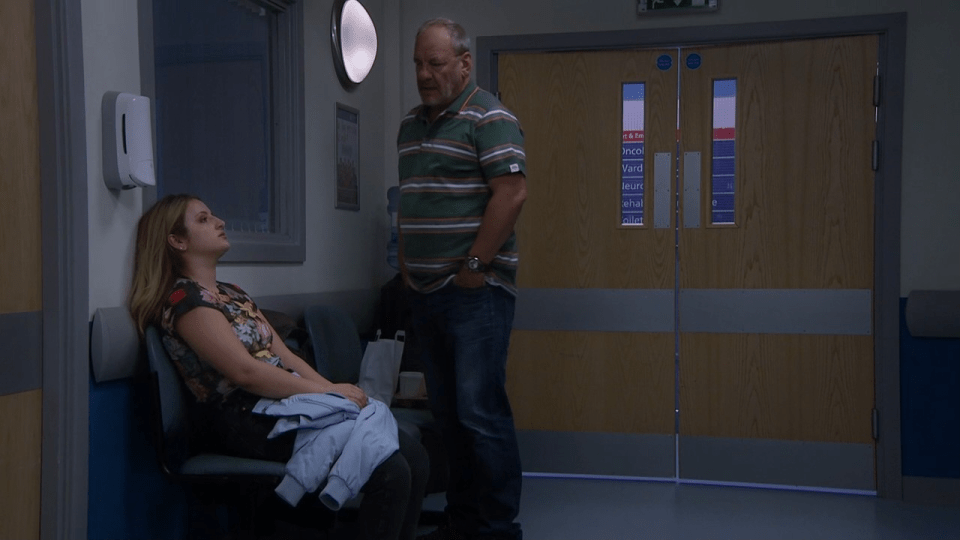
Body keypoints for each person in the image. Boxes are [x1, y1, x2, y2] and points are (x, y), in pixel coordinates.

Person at [129, 194, 429, 540]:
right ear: (177, 241)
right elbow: (246, 373)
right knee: (389, 472)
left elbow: (286, 357)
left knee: (413, 456)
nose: (219, 222)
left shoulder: (233, 293)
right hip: (242, 415)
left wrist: (337, 393)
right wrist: (329, 392)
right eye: (203, 219)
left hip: (285, 402)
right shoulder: (186, 301)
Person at [397, 18, 527, 540]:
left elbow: (512, 194)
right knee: (448, 418)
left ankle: (496, 528)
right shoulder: (410, 125)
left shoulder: (488, 116)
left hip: (475, 294)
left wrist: (475, 265)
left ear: (465, 63)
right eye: (418, 64)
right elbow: (412, 200)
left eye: (437, 63)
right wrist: (407, 263)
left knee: (479, 414)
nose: (425, 74)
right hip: (425, 293)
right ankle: (462, 521)